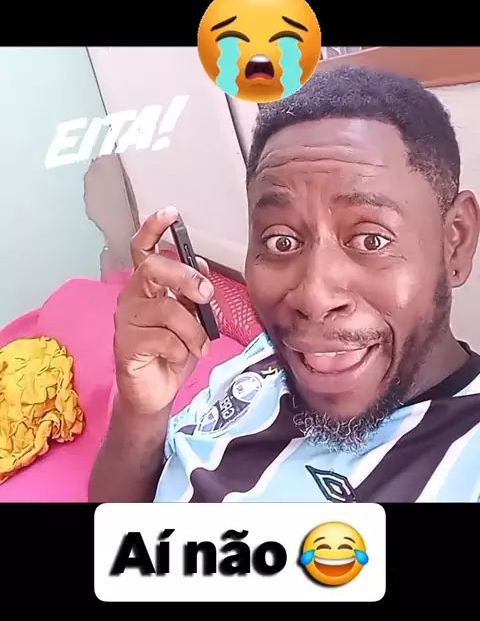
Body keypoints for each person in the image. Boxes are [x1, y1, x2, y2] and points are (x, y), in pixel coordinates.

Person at [89, 65, 480, 504]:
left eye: (371, 240)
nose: (313, 297)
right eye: (281, 240)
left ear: (456, 240)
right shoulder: (267, 358)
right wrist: (142, 410)